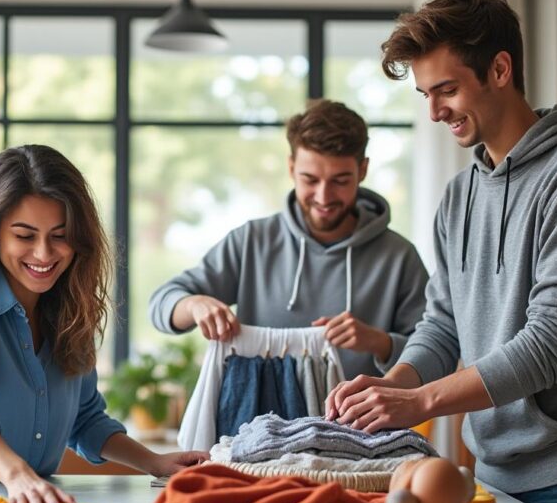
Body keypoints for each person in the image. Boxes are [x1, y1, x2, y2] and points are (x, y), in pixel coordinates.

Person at [326, 0, 557, 503]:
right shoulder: (460, 194)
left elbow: (555, 341)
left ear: (500, 69)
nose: (433, 112)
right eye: (425, 94)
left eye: (446, 89)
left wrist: (421, 404)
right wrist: (394, 383)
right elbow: (443, 323)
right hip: (490, 473)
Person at [0, 145, 208, 503]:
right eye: (25, 236)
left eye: (59, 235)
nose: (43, 254)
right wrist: (19, 475)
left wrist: (155, 462)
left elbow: (86, 419)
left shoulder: (70, 312)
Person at [149, 99, 429, 379]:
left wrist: (380, 343)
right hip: (256, 421)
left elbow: (433, 353)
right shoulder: (251, 242)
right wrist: (194, 304)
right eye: (310, 179)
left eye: (340, 181)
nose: (324, 197)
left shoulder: (399, 257)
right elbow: (161, 303)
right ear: (291, 167)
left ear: (363, 170)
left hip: (357, 422)